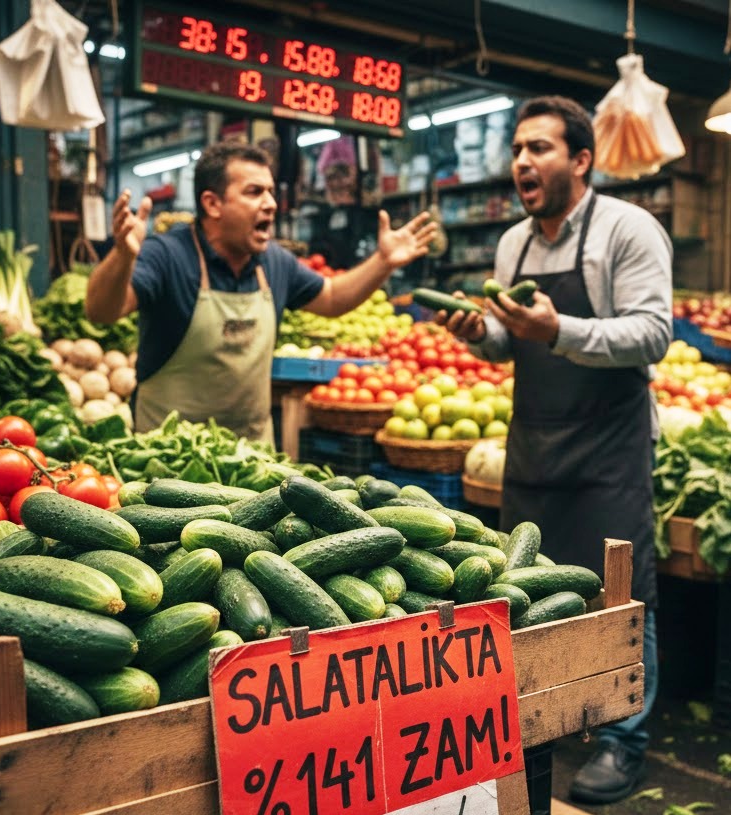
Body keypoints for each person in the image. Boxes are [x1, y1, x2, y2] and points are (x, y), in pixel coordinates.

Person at [436, 96, 671, 805]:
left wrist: (560, 327)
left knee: (623, 591)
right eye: (516, 149)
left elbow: (654, 333)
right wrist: (480, 336)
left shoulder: (629, 231)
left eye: (539, 148)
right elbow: (513, 338)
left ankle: (622, 736)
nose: (521, 162)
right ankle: (543, 711)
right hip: (536, 441)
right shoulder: (513, 244)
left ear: (580, 159)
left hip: (608, 445)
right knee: (527, 582)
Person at [85, 141, 436, 441]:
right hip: (167, 463)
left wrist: (383, 262)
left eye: (270, 191)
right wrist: (123, 256)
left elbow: (330, 298)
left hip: (251, 461)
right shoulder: (168, 255)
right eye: (254, 192)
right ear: (212, 204)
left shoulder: (274, 263)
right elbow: (101, 311)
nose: (270, 203)